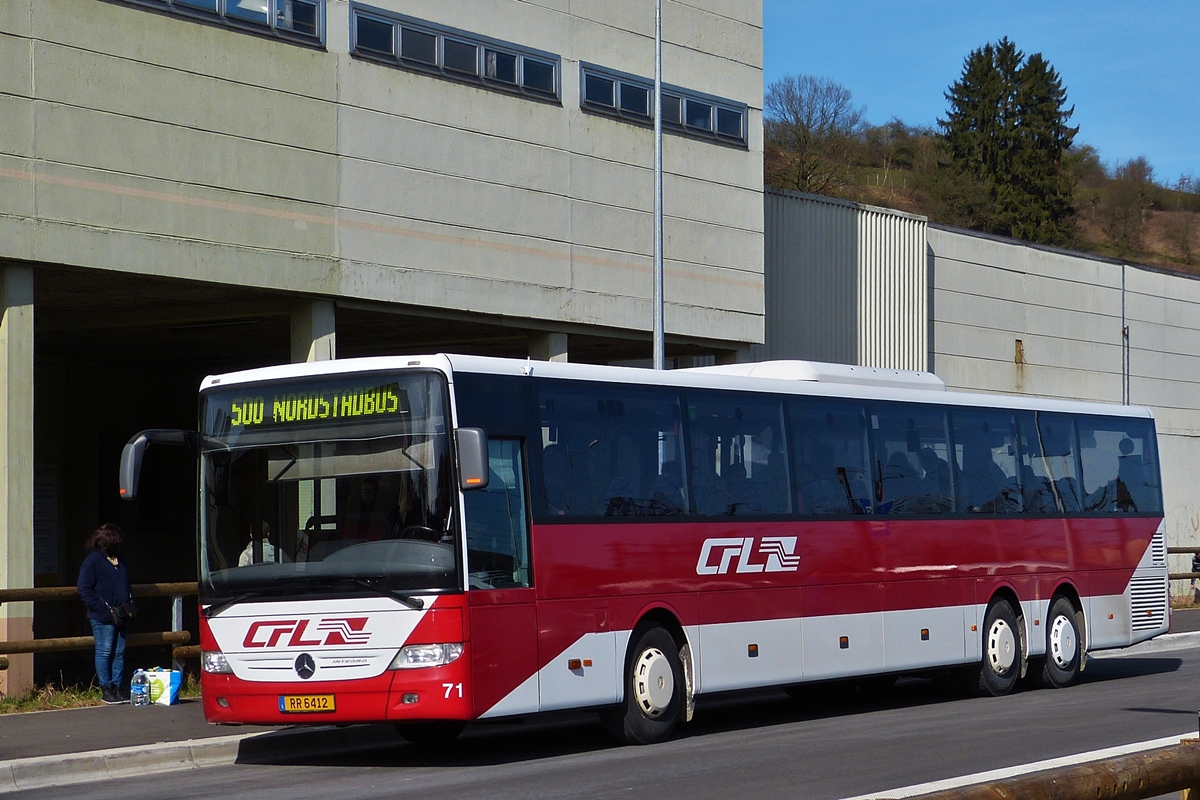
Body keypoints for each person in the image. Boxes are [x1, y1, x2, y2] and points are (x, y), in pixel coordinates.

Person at [77, 523, 133, 705]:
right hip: (103, 616)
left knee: (119, 652)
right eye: (116, 542)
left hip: (122, 613)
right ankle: (106, 688)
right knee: (105, 651)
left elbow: (125, 584)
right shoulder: (93, 561)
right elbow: (84, 588)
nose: (119, 545)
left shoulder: (119, 560)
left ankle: (117, 686)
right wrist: (102, 608)